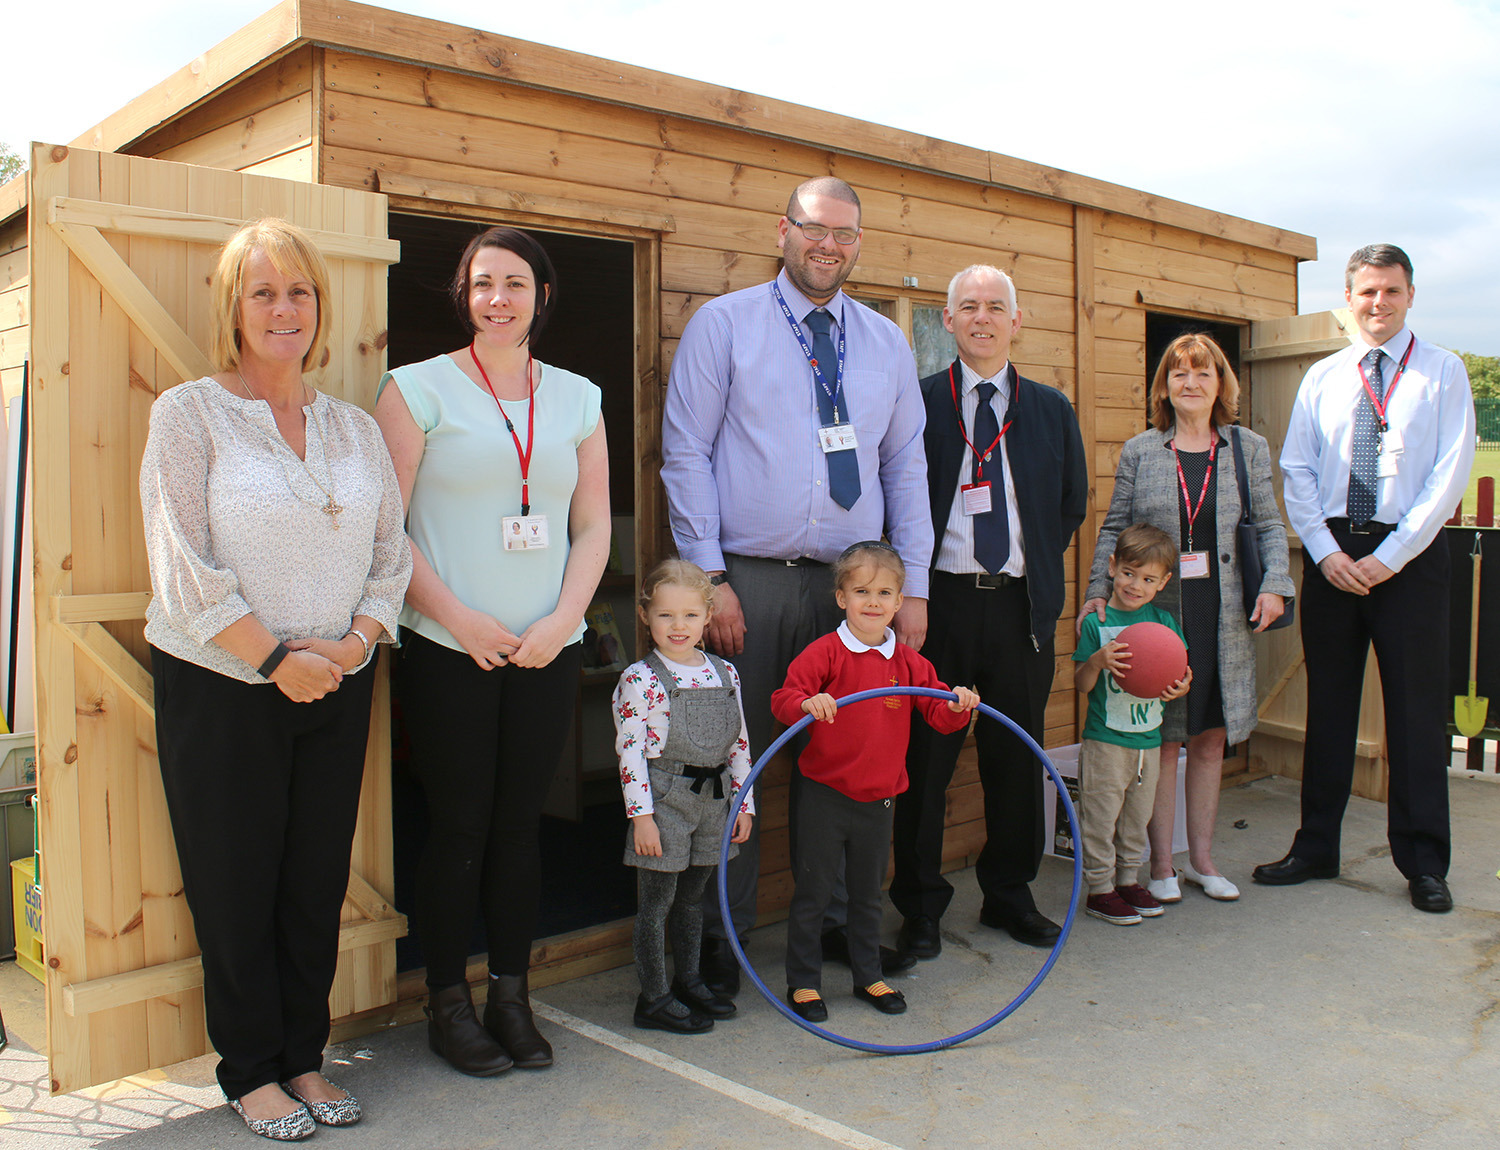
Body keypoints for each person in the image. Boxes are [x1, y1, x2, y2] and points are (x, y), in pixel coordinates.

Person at [141, 218, 411, 1140]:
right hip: (226, 688)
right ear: (234, 308)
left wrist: (357, 641)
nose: (284, 309)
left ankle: (303, 1058)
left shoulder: (353, 427)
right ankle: (250, 1071)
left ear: (319, 308)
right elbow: (182, 565)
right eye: (264, 292)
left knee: (311, 881)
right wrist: (273, 659)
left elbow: (392, 553)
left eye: (299, 292)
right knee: (235, 882)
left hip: (337, 681)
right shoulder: (189, 414)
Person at [661, 176, 931, 993]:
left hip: (856, 595)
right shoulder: (726, 325)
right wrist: (711, 579)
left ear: (859, 244)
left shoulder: (886, 343)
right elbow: (685, 454)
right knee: (730, 766)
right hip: (747, 584)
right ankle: (723, 946)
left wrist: (911, 587)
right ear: (782, 230)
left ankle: (852, 940)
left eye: (845, 234)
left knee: (858, 759)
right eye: (815, 229)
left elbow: (905, 466)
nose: (829, 245)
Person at [374, 226, 611, 1075]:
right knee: (459, 828)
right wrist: (459, 620)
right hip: (450, 647)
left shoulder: (579, 398)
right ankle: (448, 1002)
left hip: (549, 648)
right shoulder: (415, 390)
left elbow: (592, 528)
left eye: (515, 283)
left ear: (543, 295)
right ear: (464, 296)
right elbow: (386, 532)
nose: (499, 298)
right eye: (483, 284)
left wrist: (562, 623)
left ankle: (512, 997)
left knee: (521, 829)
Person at [1255, 244, 1474, 914]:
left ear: (1410, 295)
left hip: (1408, 558)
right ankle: (1317, 845)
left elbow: (1449, 474)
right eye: (1366, 293)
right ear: (1348, 299)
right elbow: (1295, 468)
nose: (1377, 303)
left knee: (1413, 713)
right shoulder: (1324, 377)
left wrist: (1395, 555)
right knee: (1331, 708)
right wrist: (1324, 554)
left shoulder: (1442, 373)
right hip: (1334, 557)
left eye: (1390, 291)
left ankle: (1423, 862)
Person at [892, 265, 1087, 958]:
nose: (982, 318)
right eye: (968, 307)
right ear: (946, 321)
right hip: (934, 612)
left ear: (1017, 319)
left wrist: (1016, 562)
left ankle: (1010, 895)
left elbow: (1070, 505)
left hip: (1019, 614)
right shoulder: (918, 405)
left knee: (1014, 760)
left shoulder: (1050, 409)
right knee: (924, 765)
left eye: (995, 307)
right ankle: (918, 910)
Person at [1080, 333, 1291, 903]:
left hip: (1221, 614)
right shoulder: (1141, 451)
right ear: (1165, 387)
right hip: (1159, 617)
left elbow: (1270, 525)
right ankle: (1160, 867)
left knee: (1210, 739)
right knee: (1165, 741)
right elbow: (1113, 528)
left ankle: (1201, 860)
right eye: (1179, 374)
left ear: (1221, 383)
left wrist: (1275, 583)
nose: (1190, 383)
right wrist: (1099, 589)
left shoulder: (1247, 447)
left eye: (1202, 373)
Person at [771, 543, 979, 1020]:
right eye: (861, 590)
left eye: (884, 592)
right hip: (825, 794)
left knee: (867, 895)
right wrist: (806, 704)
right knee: (814, 891)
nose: (873, 601)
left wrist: (958, 704)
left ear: (900, 601)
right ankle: (803, 982)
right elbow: (784, 698)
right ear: (841, 597)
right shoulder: (826, 652)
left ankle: (868, 976)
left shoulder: (907, 663)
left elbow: (938, 712)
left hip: (879, 798)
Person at [613, 560, 755, 1034]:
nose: (678, 627)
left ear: (708, 616)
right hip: (666, 799)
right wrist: (643, 818)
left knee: (694, 898)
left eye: (690, 616)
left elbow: (739, 743)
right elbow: (630, 754)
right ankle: (653, 996)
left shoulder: (725, 673)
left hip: (714, 799)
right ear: (644, 616)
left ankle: (689, 980)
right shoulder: (641, 679)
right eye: (666, 616)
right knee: (657, 902)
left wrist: (743, 803)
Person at [1073, 524, 1193, 924]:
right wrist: (1096, 661)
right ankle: (1100, 889)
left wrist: (1182, 686)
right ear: (1112, 567)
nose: (1134, 585)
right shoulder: (1097, 623)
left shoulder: (1163, 623)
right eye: (1128, 573)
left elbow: (1178, 672)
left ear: (1163, 582)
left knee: (1136, 818)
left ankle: (1128, 881)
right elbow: (1080, 685)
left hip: (1149, 741)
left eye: (1147, 578)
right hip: (1106, 741)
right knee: (1100, 817)